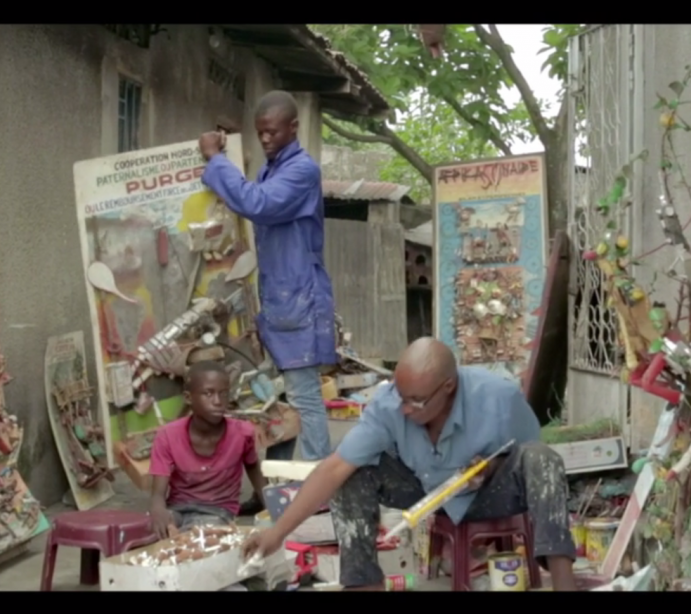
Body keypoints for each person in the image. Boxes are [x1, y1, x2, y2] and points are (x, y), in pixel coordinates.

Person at [239, 337, 580, 591]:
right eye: (402, 398)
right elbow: (333, 468)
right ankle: (363, 584)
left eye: (415, 401)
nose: (405, 409)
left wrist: (490, 468)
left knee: (543, 459)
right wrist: (277, 533)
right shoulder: (390, 405)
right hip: (424, 489)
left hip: (488, 492)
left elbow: (525, 452)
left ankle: (563, 582)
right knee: (353, 473)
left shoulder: (498, 396)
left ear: (448, 386)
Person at [199, 90, 335, 462]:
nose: (265, 140)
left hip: (298, 299)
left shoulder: (302, 170)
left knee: (304, 397)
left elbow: (255, 203)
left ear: (293, 128)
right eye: (260, 133)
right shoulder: (271, 169)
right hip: (279, 299)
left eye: (272, 132)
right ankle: (279, 483)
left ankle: (315, 488)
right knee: (275, 398)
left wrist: (216, 160)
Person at [148, 361, 266, 538]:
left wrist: (274, 510)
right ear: (188, 398)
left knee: (199, 539)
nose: (218, 401)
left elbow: (253, 469)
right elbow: (158, 493)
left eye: (223, 394)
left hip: (218, 512)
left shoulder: (242, 433)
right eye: (208, 393)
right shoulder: (168, 436)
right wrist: (157, 511)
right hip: (178, 509)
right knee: (148, 535)